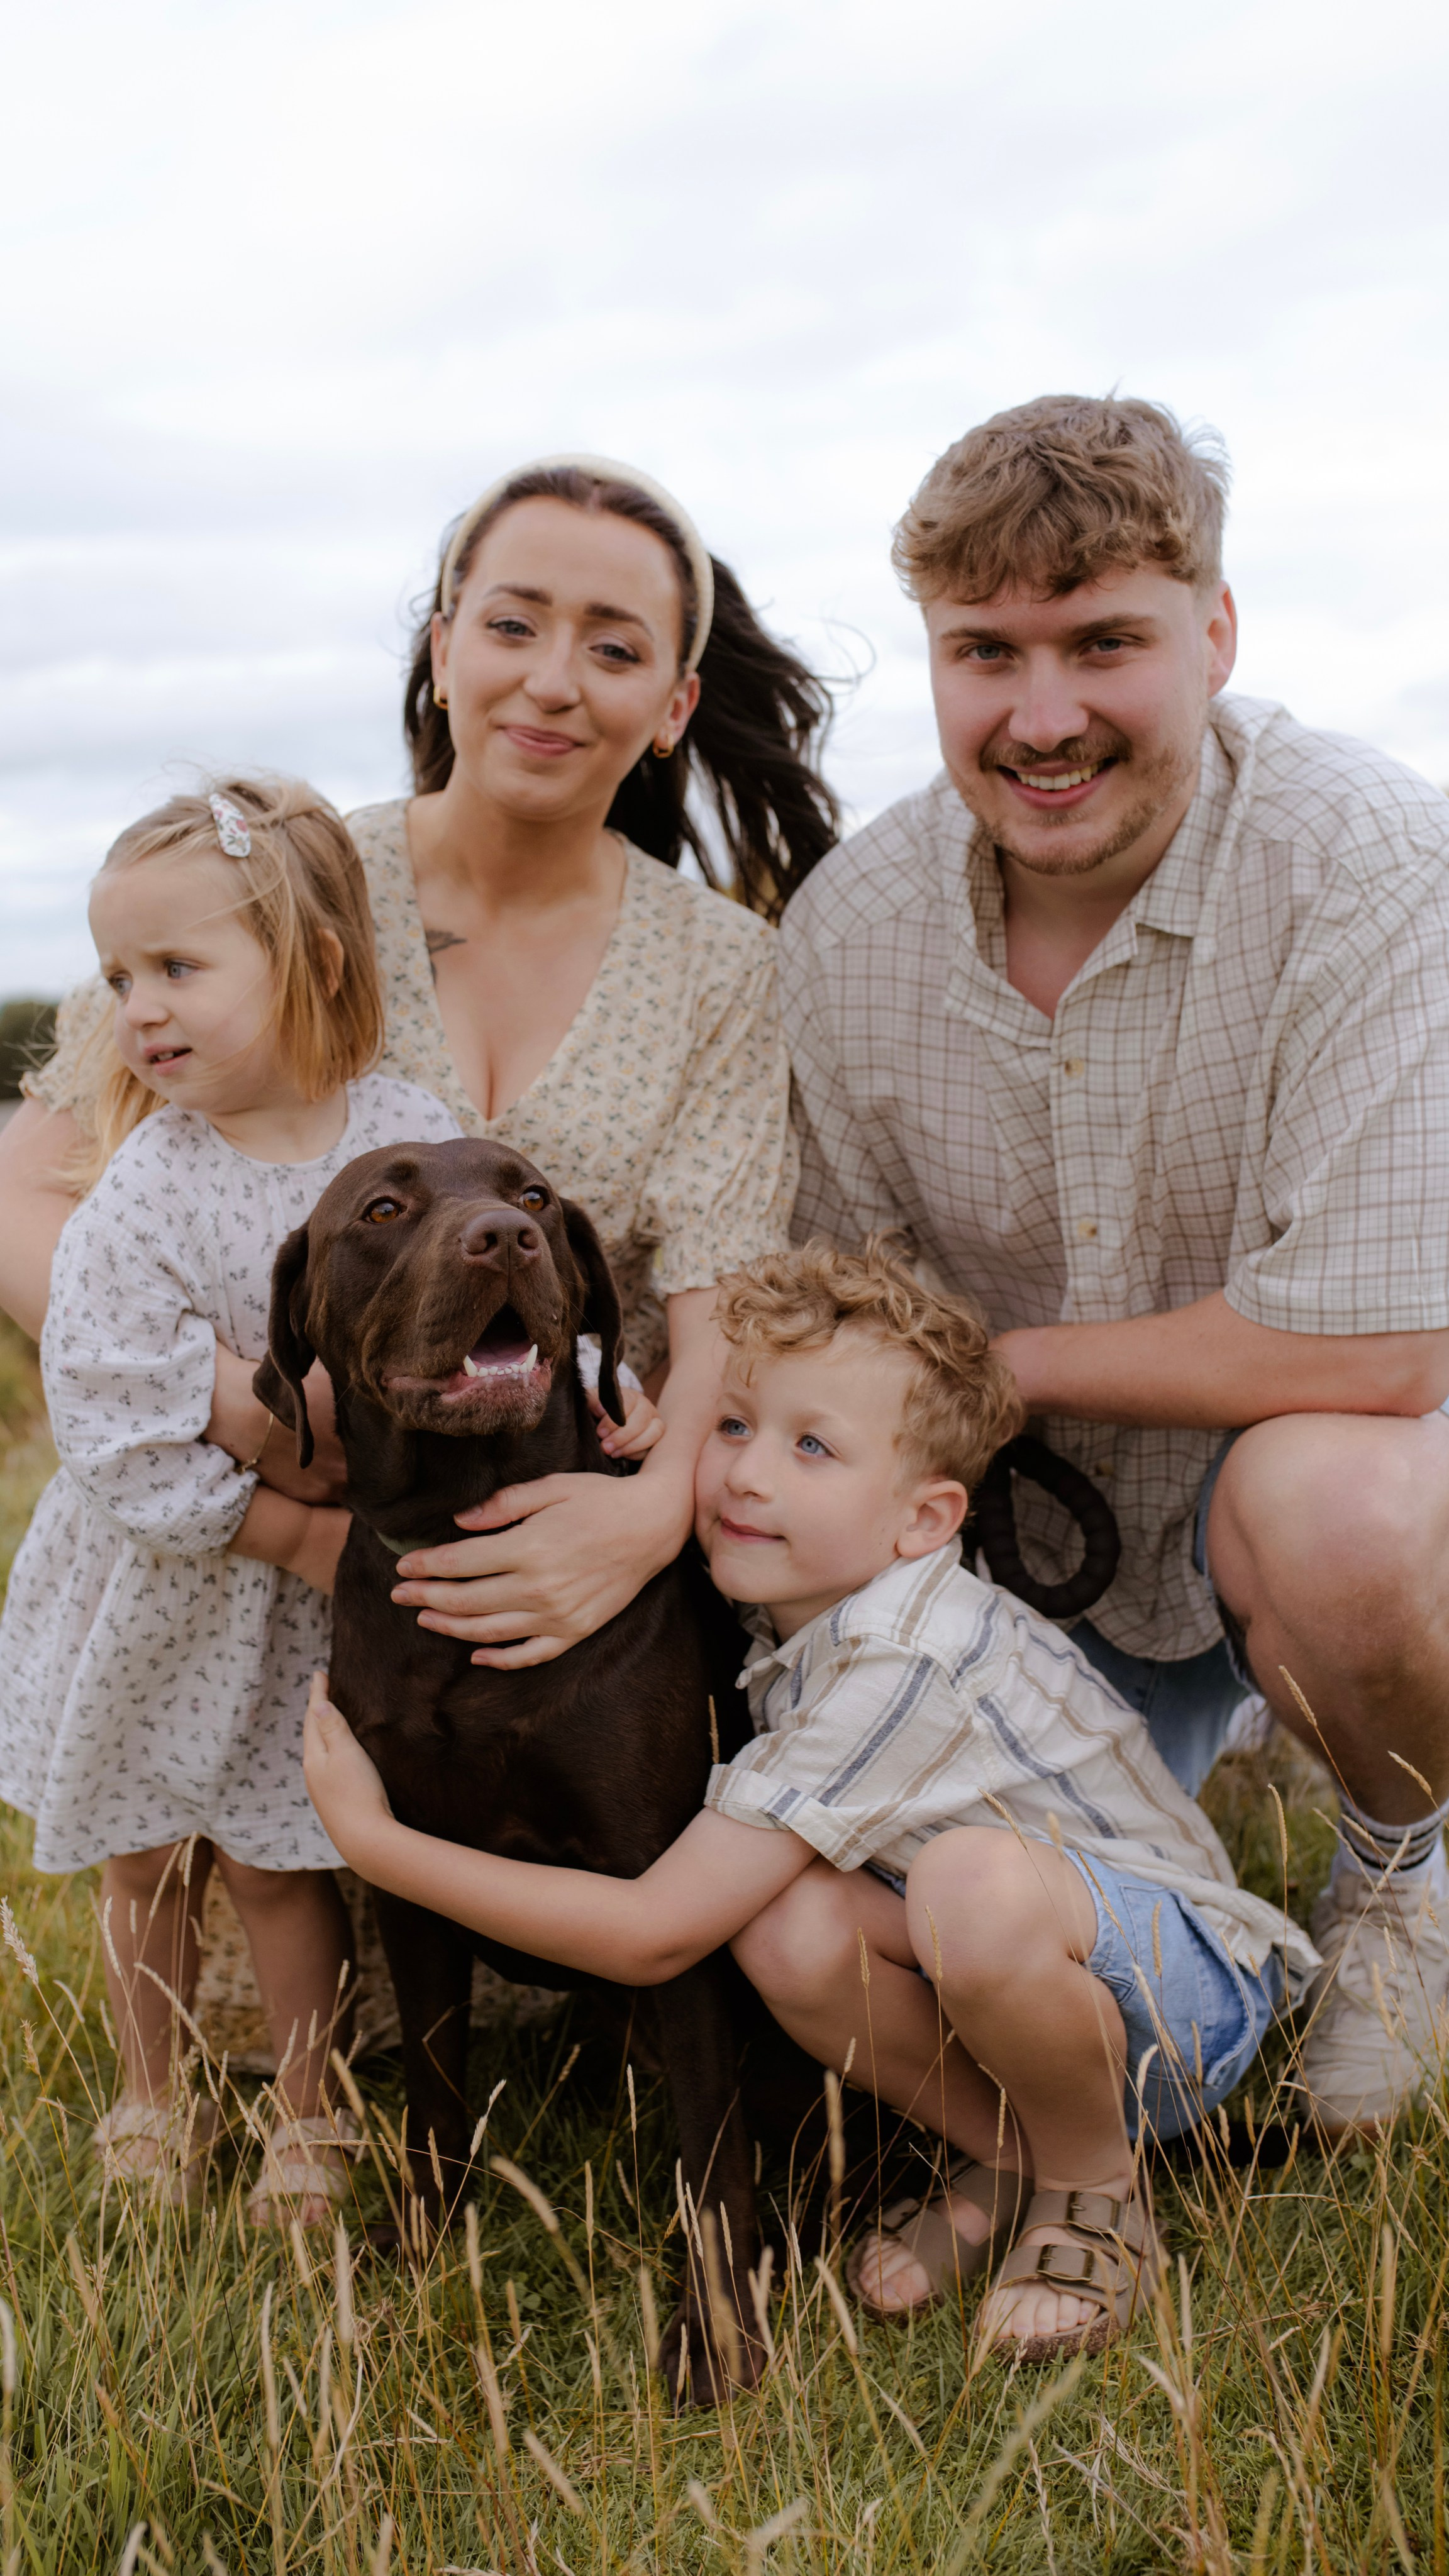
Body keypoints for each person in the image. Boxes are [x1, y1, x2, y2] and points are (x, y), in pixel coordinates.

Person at [773, 395, 1449, 2140]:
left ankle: (1400, 1867)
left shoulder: (1375, 863)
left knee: (1343, 1510)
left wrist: (998, 1372)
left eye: (1104, 643)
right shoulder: (849, 929)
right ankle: (1174, 1816)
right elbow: (834, 1317)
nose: (1043, 714)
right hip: (1027, 1545)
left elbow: (1386, 1353)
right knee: (967, 1922)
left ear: (1214, 634)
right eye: (986, 652)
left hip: (1304, 1484)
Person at [304, 1240, 1316, 2362]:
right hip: (1028, 1983)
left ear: (924, 1521)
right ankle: (1012, 2153)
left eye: (812, 1447)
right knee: (783, 1925)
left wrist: (376, 1845)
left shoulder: (900, 1660)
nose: (747, 1474)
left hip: (1181, 2007)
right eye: (733, 1426)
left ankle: (1095, 2192)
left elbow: (653, 1933)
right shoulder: (801, 1603)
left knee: (968, 1887)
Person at [0, 453, 838, 1668]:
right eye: (513, 626)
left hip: (548, 1555)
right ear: (444, 652)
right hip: (241, 1560)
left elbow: (723, 1301)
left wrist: (651, 1516)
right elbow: (21, 1193)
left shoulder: (722, 964)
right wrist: (244, 1403)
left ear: (673, 707)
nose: (553, 681)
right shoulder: (287, 888)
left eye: (614, 649)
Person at [0, 776, 472, 2216]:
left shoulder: (402, 1139)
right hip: (164, 1582)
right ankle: (153, 2097)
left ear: (313, 960)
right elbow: (113, 1416)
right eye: (118, 977)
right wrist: (302, 1529)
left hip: (298, 1626)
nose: (139, 1009)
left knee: (280, 1856)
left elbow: (471, 1294)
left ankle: (308, 2108)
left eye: (177, 967)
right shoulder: (145, 1181)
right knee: (148, 1856)